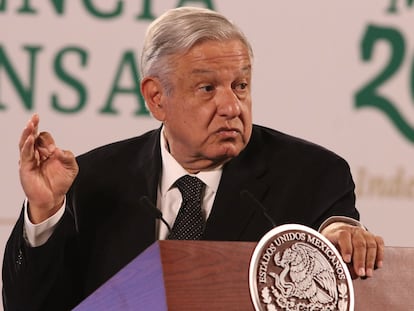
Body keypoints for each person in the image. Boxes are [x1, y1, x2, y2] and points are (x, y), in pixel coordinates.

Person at [2, 6, 384, 311]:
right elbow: (27, 306)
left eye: (241, 86)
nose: (232, 106)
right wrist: (44, 212)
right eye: (207, 88)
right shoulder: (95, 179)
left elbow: (338, 237)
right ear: (156, 98)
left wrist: (340, 236)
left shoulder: (313, 176)